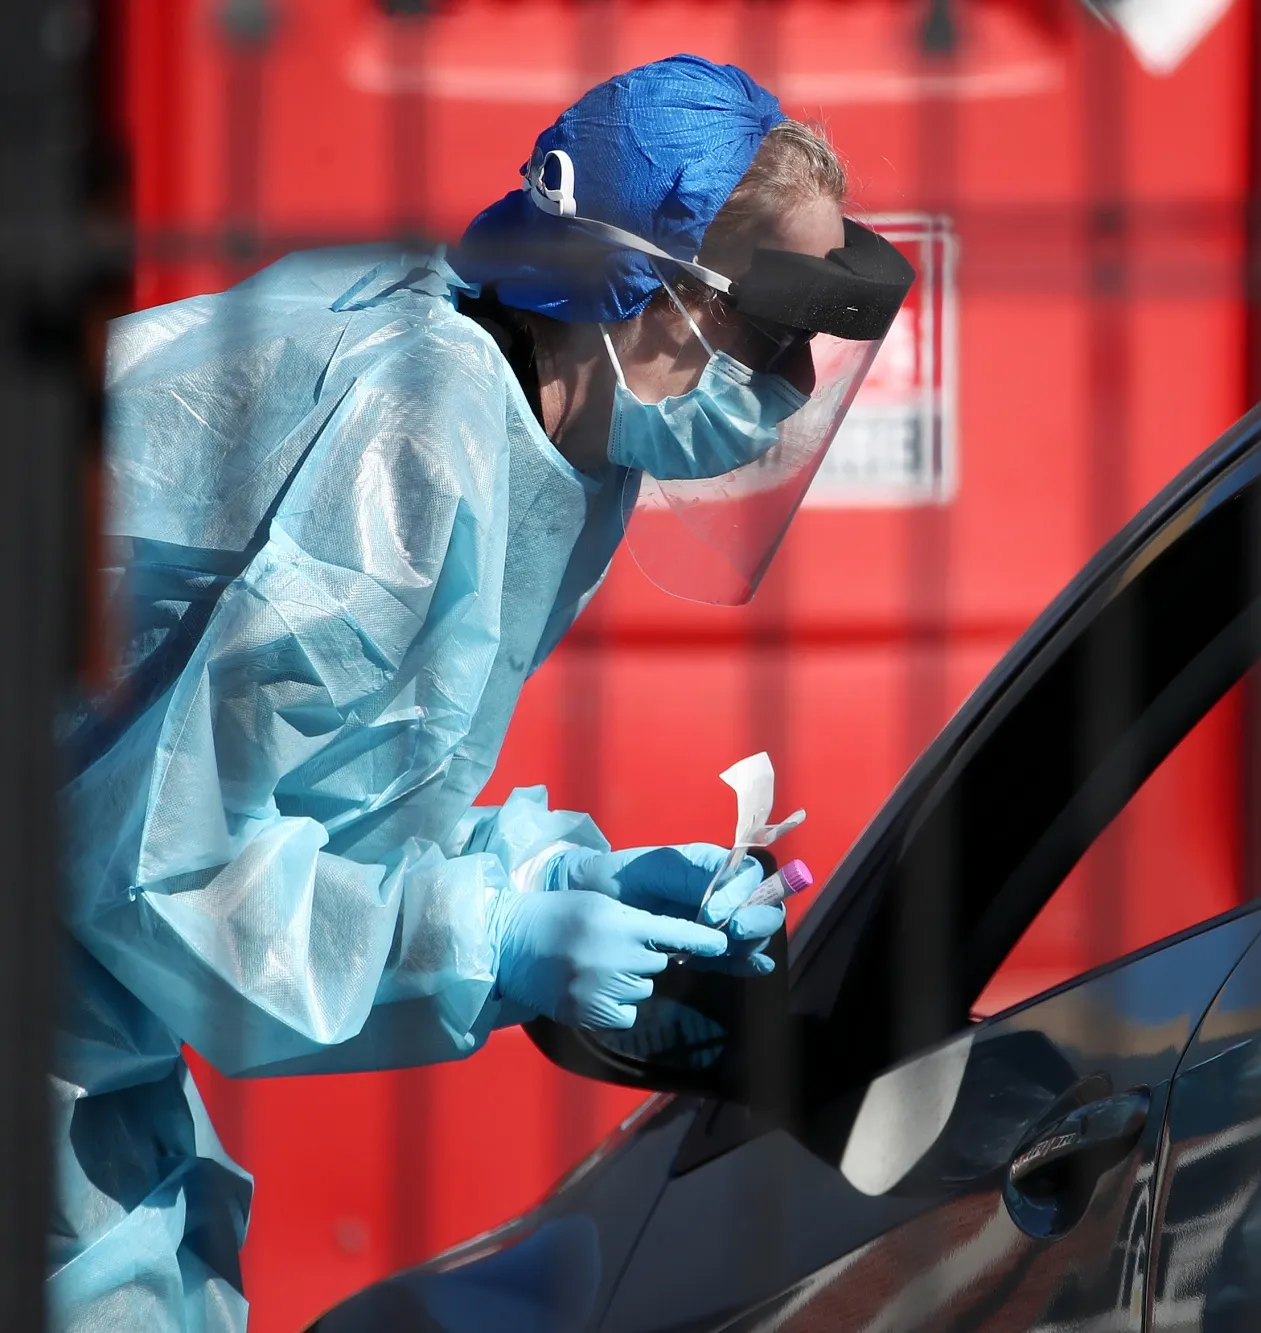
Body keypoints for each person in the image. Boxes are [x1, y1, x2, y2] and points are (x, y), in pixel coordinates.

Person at [52, 55, 912, 1330]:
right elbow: (164, 873)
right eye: (772, 330)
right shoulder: (412, 431)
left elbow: (335, 787)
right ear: (646, 291)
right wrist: (489, 944)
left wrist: (555, 882)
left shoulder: (549, 432)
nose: (788, 382)